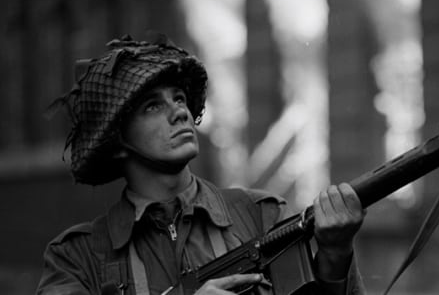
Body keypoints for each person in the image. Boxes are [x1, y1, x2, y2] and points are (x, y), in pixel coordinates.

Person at [37, 34, 365, 295]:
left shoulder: (261, 215)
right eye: (152, 106)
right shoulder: (78, 257)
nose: (179, 112)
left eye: (179, 98)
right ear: (117, 140)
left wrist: (335, 255)